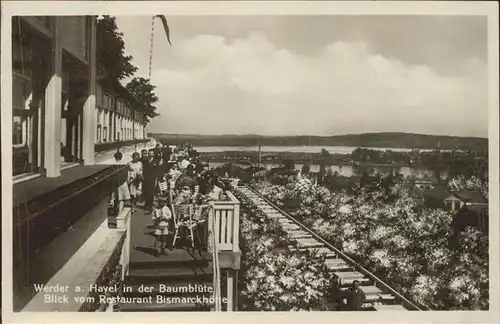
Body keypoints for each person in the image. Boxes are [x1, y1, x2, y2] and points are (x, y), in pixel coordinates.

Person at [109, 149, 131, 213]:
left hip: (116, 183)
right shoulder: (124, 165)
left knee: (116, 197)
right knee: (121, 198)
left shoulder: (113, 165)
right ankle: (120, 211)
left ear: (115, 158)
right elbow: (127, 175)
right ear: (121, 157)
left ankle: (116, 209)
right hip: (123, 183)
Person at [143, 149, 160, 214]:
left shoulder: (156, 161)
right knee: (146, 192)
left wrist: (157, 179)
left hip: (153, 179)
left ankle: (150, 205)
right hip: (146, 179)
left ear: (153, 154)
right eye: (149, 153)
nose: (150, 154)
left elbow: (158, 171)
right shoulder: (145, 161)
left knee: (151, 193)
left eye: (151, 153)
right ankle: (146, 204)